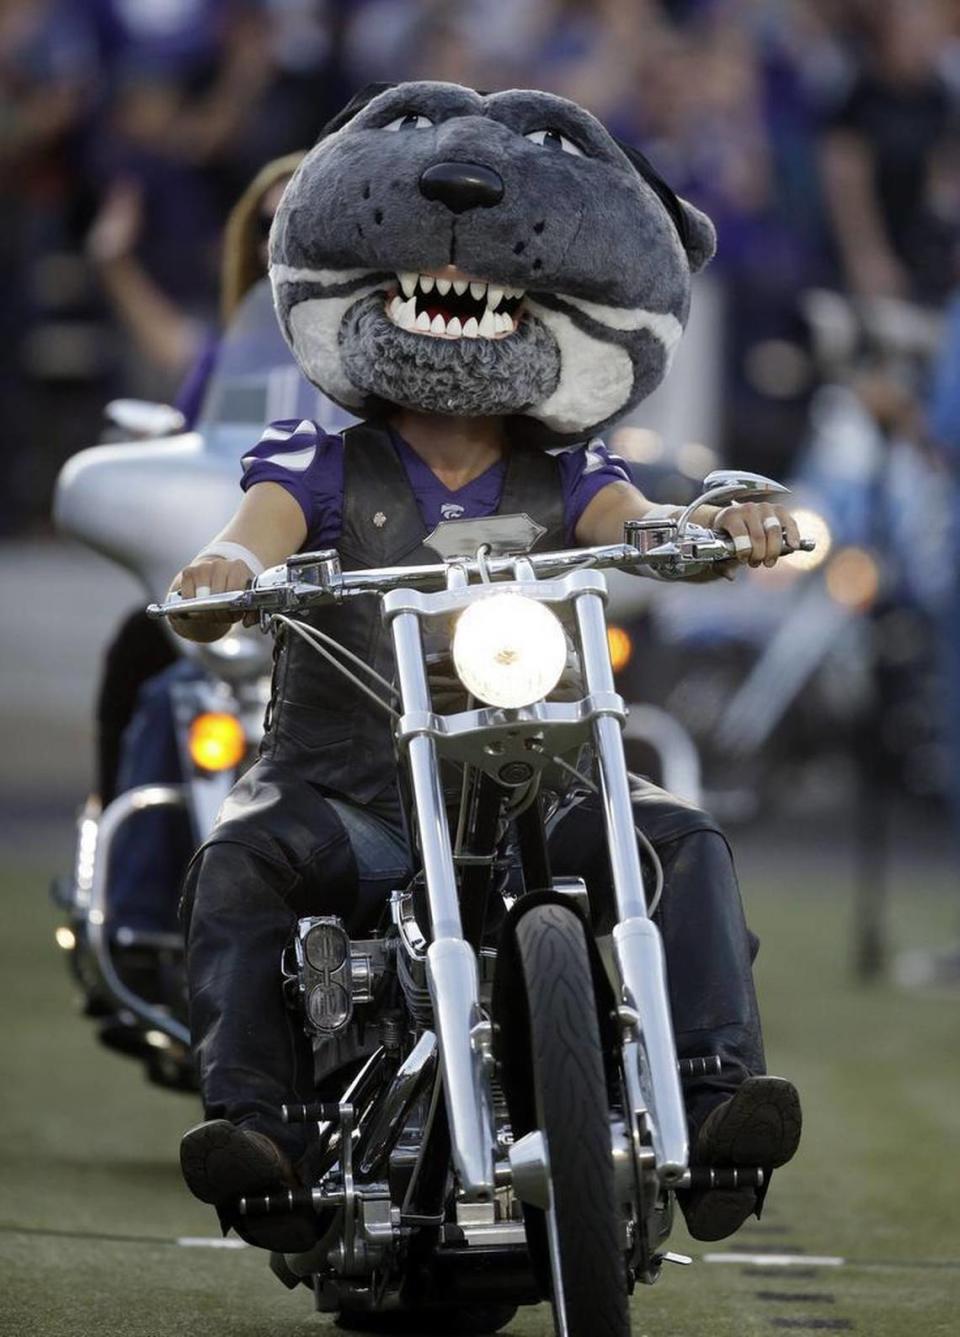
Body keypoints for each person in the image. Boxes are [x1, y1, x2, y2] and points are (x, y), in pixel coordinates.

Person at [169, 80, 803, 1254]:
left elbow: (636, 519)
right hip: (354, 790)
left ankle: (714, 1108)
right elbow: (248, 530)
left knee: (683, 839)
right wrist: (218, 571)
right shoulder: (314, 455)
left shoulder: (570, 466)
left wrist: (718, 519)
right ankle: (255, 1127)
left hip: (534, 788)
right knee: (240, 856)